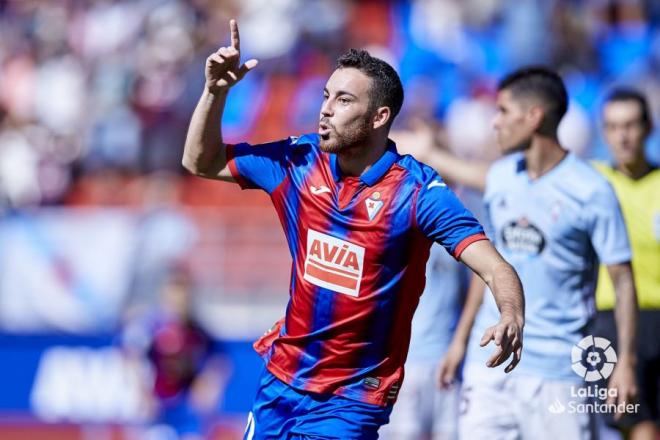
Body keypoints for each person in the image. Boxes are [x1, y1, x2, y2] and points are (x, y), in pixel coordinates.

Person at [182, 20, 525, 439]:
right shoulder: (299, 161)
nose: (325, 108)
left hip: (353, 398)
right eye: (326, 96)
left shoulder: (417, 193)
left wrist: (510, 313)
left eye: (343, 100)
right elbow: (201, 162)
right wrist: (215, 91)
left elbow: (494, 266)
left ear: (380, 116)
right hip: (281, 380)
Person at [419, 67, 638, 439]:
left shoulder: (591, 191)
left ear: (533, 116)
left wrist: (625, 362)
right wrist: (460, 341)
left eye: (503, 111)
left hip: (559, 373)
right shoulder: (503, 176)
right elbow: (490, 266)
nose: (495, 123)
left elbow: (623, 282)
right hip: (487, 364)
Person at [592, 88, 660, 440]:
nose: (623, 135)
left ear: (649, 128)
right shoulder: (592, 181)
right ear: (603, 132)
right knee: (639, 425)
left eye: (631, 125)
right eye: (614, 126)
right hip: (615, 322)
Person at [379, 243, 468, 440]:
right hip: (407, 362)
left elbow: (469, 288)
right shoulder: (402, 230)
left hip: (447, 361)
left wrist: (459, 342)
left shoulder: (457, 232)